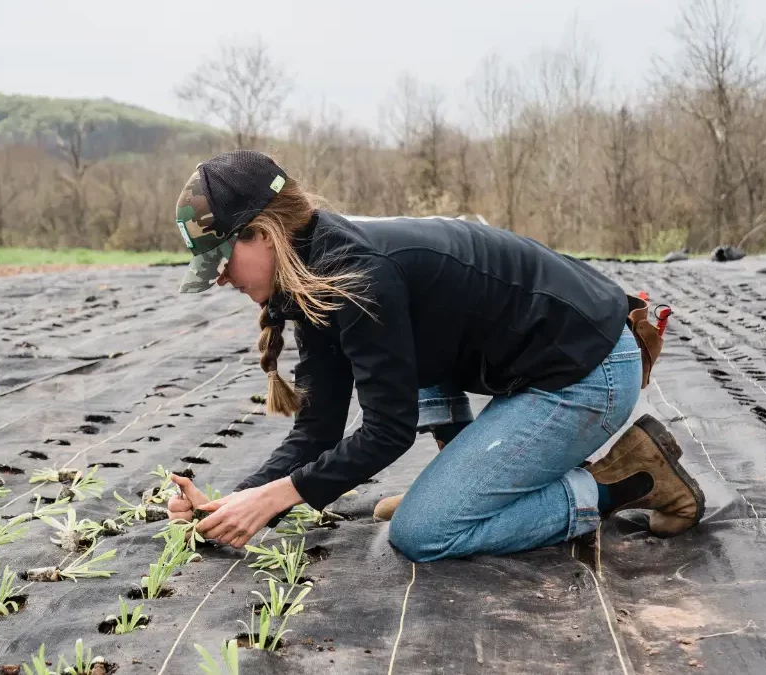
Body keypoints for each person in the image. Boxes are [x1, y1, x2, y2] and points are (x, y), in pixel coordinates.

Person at [166, 149, 705, 561]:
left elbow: (387, 431)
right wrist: (232, 503)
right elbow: (318, 429)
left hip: (589, 371)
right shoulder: (309, 273)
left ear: (262, 233)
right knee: (411, 392)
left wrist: (274, 498)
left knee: (425, 532)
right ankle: (461, 484)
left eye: (221, 261)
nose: (219, 280)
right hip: (540, 361)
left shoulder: (356, 274)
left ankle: (627, 479)